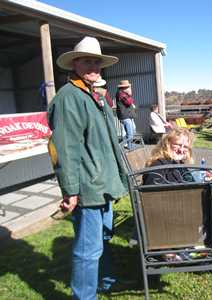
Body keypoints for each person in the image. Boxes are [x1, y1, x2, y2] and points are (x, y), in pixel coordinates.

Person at [48, 36, 128, 299]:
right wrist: (71, 190)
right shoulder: (69, 98)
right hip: (87, 186)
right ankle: (85, 296)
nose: (93, 65)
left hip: (103, 183)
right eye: (86, 61)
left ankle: (105, 282)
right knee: (87, 249)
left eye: (97, 61)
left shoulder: (95, 95)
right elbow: (65, 148)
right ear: (74, 64)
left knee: (103, 239)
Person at [143, 128, 212, 255]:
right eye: (178, 145)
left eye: (185, 146)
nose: (181, 149)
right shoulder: (158, 166)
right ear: (167, 143)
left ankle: (209, 245)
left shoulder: (176, 163)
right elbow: (154, 199)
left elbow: (188, 182)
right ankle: (210, 248)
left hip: (180, 213)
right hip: (172, 221)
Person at [116, 79, 136, 150]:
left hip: (127, 115)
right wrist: (130, 94)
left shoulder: (123, 93)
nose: (128, 88)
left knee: (132, 130)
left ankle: (126, 144)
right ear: (124, 87)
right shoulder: (121, 94)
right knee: (130, 131)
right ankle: (129, 146)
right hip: (125, 116)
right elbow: (129, 102)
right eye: (127, 87)